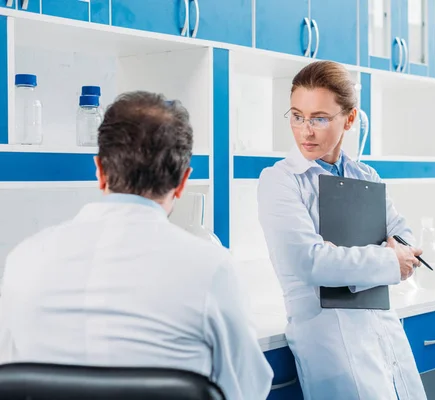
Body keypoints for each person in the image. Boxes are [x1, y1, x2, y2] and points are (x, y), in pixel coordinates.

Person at [0, 91, 273, 400]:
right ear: (183, 182)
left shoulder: (24, 259)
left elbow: (13, 376)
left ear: (100, 171)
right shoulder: (212, 267)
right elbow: (246, 389)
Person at [257, 61, 427, 399]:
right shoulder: (279, 181)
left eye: (319, 118)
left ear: (349, 119)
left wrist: (349, 260)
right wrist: (387, 261)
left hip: (383, 332)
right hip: (331, 344)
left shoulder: (366, 177)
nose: (306, 130)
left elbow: (404, 239)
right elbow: (310, 263)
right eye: (297, 116)